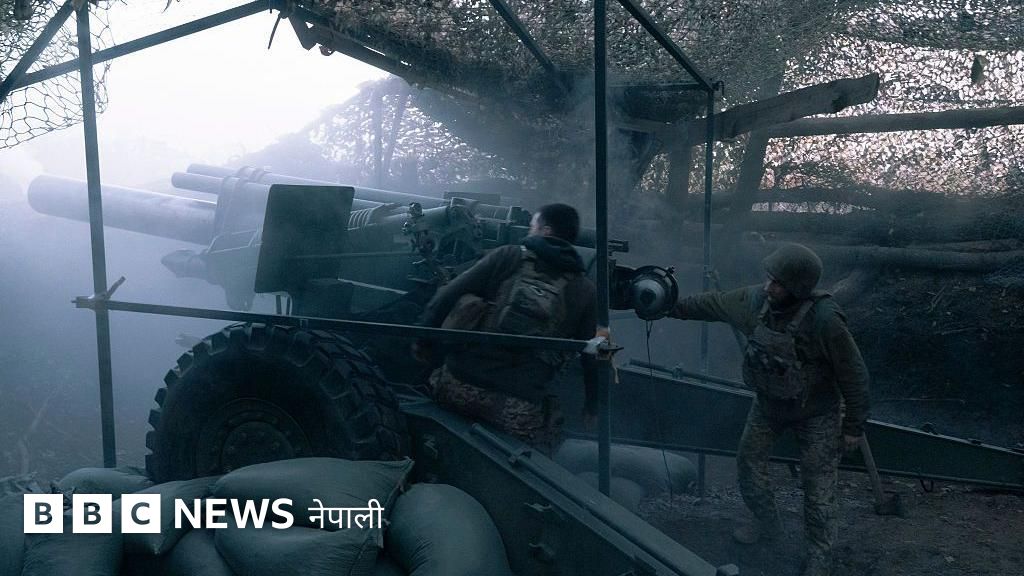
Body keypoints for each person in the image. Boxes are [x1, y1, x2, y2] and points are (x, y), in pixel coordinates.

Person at [667, 243, 870, 576]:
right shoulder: (756, 302)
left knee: (818, 487)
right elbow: (713, 304)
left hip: (816, 412)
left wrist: (853, 425)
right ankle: (768, 524)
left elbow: (853, 372)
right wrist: (667, 306)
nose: (768, 287)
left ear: (798, 288)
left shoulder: (825, 320)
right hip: (768, 405)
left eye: (777, 283)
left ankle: (820, 553)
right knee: (748, 464)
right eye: (769, 278)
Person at [416, 203, 598, 454]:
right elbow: (593, 355)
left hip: (458, 387)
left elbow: (445, 296)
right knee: (551, 437)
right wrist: (592, 407)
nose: (530, 232)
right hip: (516, 411)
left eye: (532, 227)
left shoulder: (507, 256)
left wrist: (422, 342)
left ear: (545, 230)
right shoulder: (585, 290)